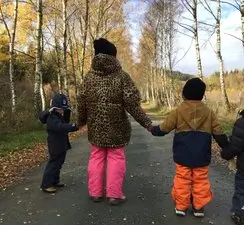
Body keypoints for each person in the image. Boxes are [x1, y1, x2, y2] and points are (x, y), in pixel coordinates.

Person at [77, 38, 152, 205]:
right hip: (117, 127)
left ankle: (95, 193)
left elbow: (81, 102)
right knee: (116, 157)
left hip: (95, 127)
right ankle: (114, 195)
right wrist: (147, 123)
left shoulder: (88, 78)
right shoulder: (122, 77)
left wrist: (80, 122)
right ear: (114, 56)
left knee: (96, 156)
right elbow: (133, 105)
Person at [151, 78, 228, 217]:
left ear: (184, 93)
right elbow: (219, 132)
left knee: (182, 179)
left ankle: (181, 206)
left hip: (182, 154)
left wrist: (153, 129)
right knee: (200, 180)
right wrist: (226, 146)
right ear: (201, 94)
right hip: (202, 154)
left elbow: (164, 128)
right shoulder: (209, 112)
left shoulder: (178, 111)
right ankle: (199, 208)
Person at [39, 93, 79, 193]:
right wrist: (74, 126)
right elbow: (60, 127)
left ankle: (55, 181)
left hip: (61, 144)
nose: (62, 111)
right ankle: (46, 184)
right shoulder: (52, 117)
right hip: (55, 145)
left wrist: (67, 112)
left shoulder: (58, 115)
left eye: (63, 109)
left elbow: (65, 121)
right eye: (60, 109)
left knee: (59, 163)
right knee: (53, 164)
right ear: (55, 108)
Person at [221, 109, 244, 225]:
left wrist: (225, 154)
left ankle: (239, 213)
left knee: (242, 189)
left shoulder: (242, 122)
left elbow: (236, 146)